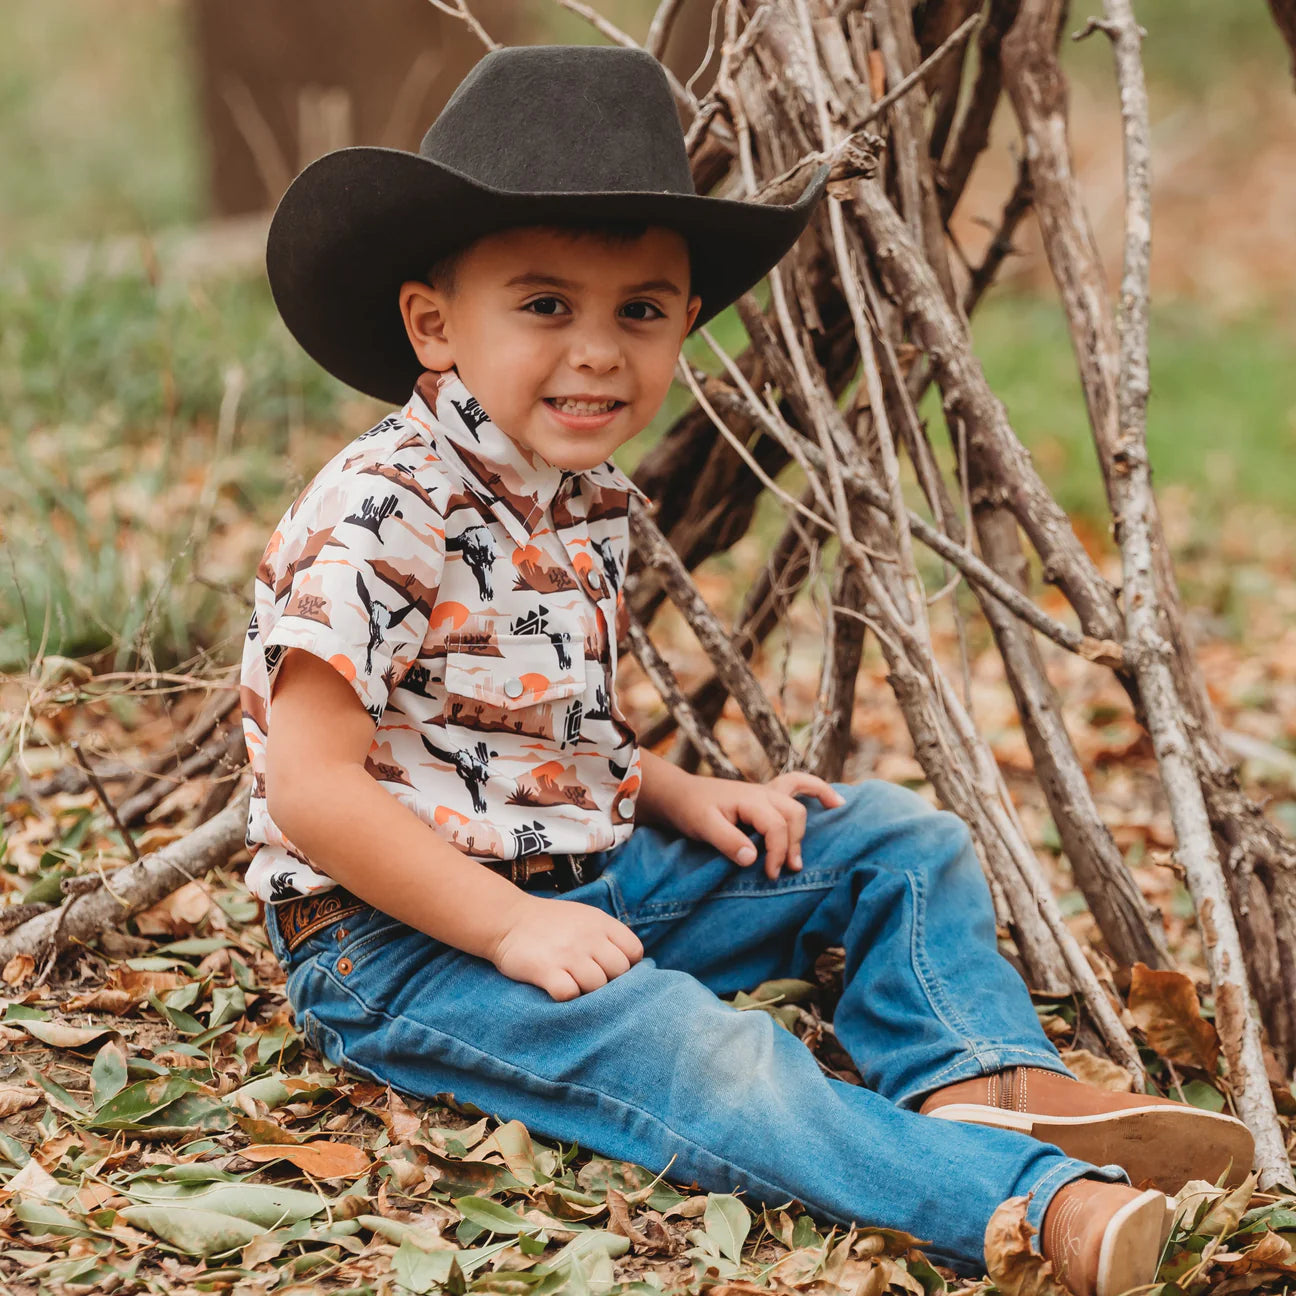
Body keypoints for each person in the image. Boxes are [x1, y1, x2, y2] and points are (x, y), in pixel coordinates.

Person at [239, 43, 1253, 1296]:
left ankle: (981, 1077)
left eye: (642, 311)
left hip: (584, 884)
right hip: (395, 945)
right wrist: (507, 927)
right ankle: (1034, 1210)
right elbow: (312, 789)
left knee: (888, 837)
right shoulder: (382, 508)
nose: (600, 351)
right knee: (706, 1056)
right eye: (546, 305)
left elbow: (517, 729)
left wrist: (675, 795)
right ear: (433, 325)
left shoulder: (575, 498)